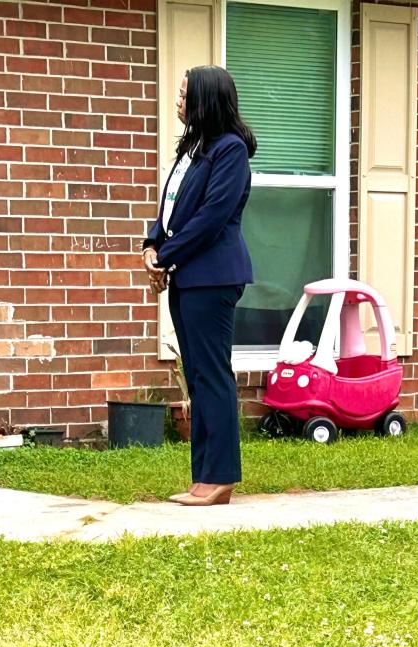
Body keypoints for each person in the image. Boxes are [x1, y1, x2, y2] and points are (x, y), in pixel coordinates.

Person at [142, 65, 255, 507]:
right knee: (198, 375)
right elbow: (171, 207)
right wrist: (151, 245)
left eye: (186, 95)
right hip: (189, 277)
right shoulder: (192, 150)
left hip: (213, 277)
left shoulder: (230, 152)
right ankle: (202, 478)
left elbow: (210, 219)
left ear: (206, 101)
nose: (178, 102)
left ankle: (220, 478)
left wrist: (165, 257)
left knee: (211, 377)